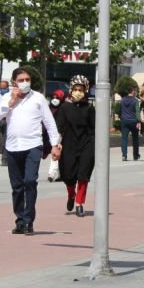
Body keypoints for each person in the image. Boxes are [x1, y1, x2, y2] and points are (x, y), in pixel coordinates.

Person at [0, 67, 61, 235]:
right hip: (13, 146)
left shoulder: (38, 98)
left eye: (27, 79)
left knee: (30, 181)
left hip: (33, 146)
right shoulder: (7, 97)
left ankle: (29, 220)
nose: (25, 83)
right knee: (17, 186)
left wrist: (55, 144)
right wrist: (10, 103)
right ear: (14, 82)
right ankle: (20, 220)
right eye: (21, 80)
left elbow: (49, 122)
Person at [57, 75, 96, 217]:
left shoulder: (90, 109)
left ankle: (80, 203)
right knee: (68, 175)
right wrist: (57, 144)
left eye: (81, 89)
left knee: (83, 175)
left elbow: (94, 129)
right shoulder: (64, 108)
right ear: (71, 90)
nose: (78, 92)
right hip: (68, 145)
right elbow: (59, 128)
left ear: (86, 91)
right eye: (76, 89)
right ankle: (71, 195)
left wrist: (94, 146)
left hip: (87, 144)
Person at [118, 84, 140, 161]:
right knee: (135, 139)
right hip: (133, 121)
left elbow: (119, 110)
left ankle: (124, 155)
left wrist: (121, 118)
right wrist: (138, 121)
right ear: (132, 91)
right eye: (134, 91)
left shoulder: (122, 100)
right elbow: (137, 112)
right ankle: (135, 155)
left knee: (124, 139)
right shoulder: (135, 100)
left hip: (124, 121)